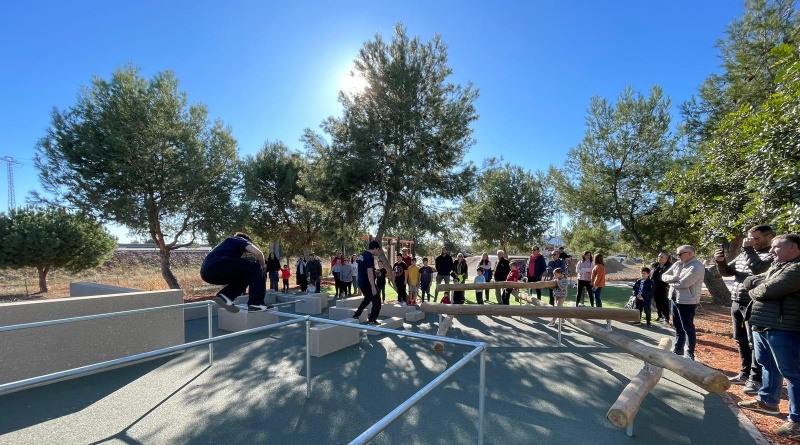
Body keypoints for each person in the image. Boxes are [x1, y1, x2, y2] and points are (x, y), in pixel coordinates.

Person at [737, 234, 800, 439]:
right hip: (763, 324)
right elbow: (758, 283)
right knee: (767, 365)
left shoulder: (797, 268)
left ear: (793, 248)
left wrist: (753, 284)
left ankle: (797, 420)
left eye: (776, 247)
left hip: (783, 327)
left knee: (792, 373)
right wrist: (757, 283)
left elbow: (767, 291)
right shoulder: (778, 265)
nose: (771, 251)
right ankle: (768, 401)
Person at [715, 225, 775, 393]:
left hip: (754, 303)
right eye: (748, 238)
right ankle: (745, 372)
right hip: (736, 300)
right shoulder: (745, 253)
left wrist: (748, 249)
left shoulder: (773, 254)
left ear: (769, 237)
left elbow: (759, 268)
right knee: (740, 339)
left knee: (754, 342)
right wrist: (721, 262)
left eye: (755, 238)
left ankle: (756, 379)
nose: (750, 241)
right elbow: (728, 272)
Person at [200, 232, 267, 313]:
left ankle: (225, 296)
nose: (246, 252)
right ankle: (256, 303)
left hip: (207, 273)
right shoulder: (239, 239)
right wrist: (263, 265)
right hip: (219, 265)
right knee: (256, 266)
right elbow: (258, 253)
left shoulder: (226, 246)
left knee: (245, 276)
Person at [662, 245, 705, 361]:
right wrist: (675, 278)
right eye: (677, 254)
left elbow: (684, 284)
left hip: (688, 301)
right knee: (677, 326)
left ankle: (690, 354)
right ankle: (678, 349)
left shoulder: (697, 266)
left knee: (688, 327)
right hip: (675, 298)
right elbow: (663, 276)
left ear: (690, 254)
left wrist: (672, 282)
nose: (678, 256)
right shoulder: (677, 264)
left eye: (680, 254)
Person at [353, 241, 383, 325]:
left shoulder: (362, 255)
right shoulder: (370, 257)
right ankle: (372, 320)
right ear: (375, 248)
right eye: (378, 250)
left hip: (361, 282)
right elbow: (369, 272)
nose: (378, 252)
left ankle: (356, 314)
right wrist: (373, 287)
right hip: (368, 283)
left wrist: (375, 271)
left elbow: (366, 268)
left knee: (367, 299)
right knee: (377, 302)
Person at [651, 251, 673, 325]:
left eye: (661, 257)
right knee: (657, 302)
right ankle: (659, 315)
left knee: (664, 302)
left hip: (665, 287)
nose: (659, 258)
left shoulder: (670, 266)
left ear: (666, 258)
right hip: (655, 286)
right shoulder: (655, 265)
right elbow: (651, 275)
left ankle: (666, 318)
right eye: (658, 256)